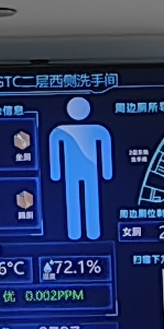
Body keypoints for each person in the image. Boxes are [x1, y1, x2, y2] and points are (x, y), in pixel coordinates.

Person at [46, 98, 114, 239]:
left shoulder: (61, 131)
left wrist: (55, 174)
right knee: (81, 199)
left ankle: (85, 233)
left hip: (82, 171)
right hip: (80, 171)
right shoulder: (61, 131)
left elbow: (105, 148)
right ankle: (83, 233)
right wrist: (106, 173)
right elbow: (54, 151)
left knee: (83, 199)